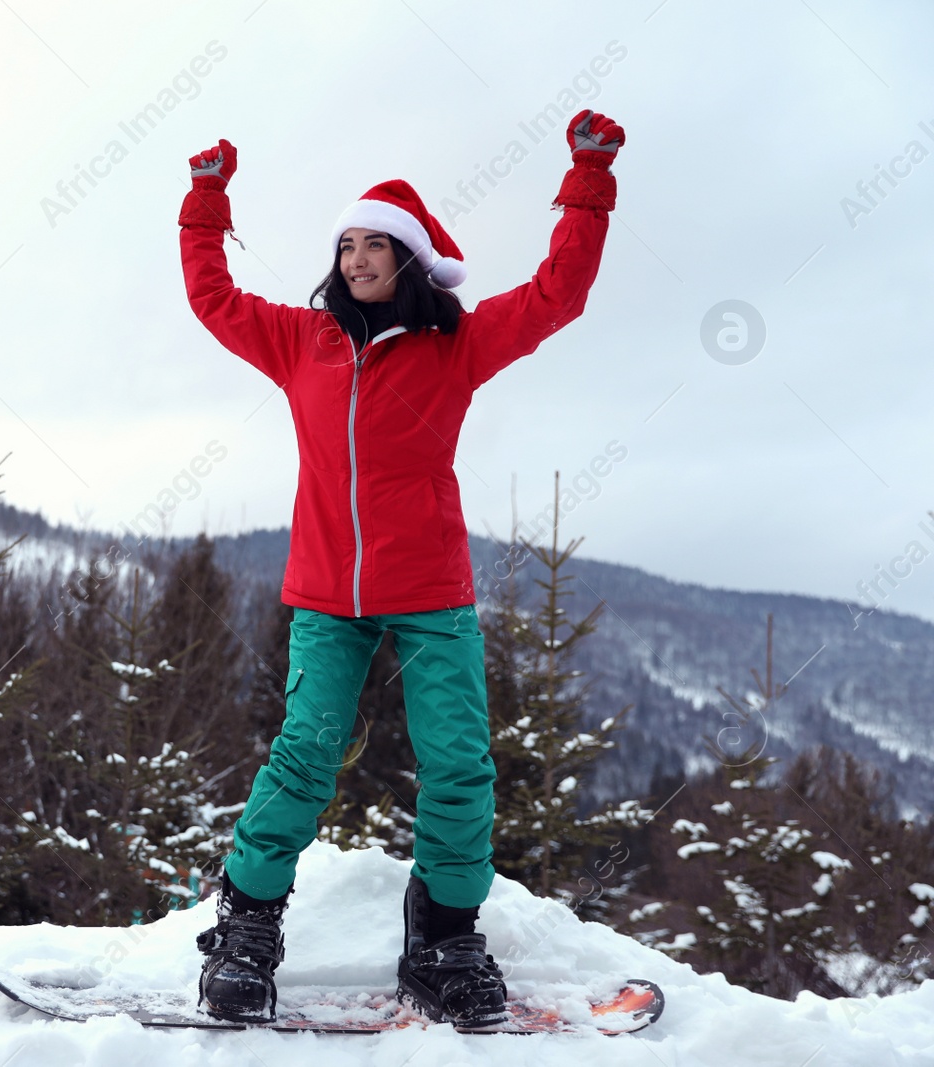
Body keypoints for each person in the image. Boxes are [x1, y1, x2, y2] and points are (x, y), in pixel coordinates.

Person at [178, 110, 625, 1030]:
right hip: (325, 598)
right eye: (344, 243)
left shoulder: (452, 347)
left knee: (458, 765)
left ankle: (442, 944)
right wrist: (207, 199)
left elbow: (556, 294)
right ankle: (246, 933)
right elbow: (213, 297)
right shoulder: (301, 340)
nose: (354, 258)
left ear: (409, 258)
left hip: (431, 596)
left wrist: (587, 180)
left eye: (373, 243)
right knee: (304, 758)